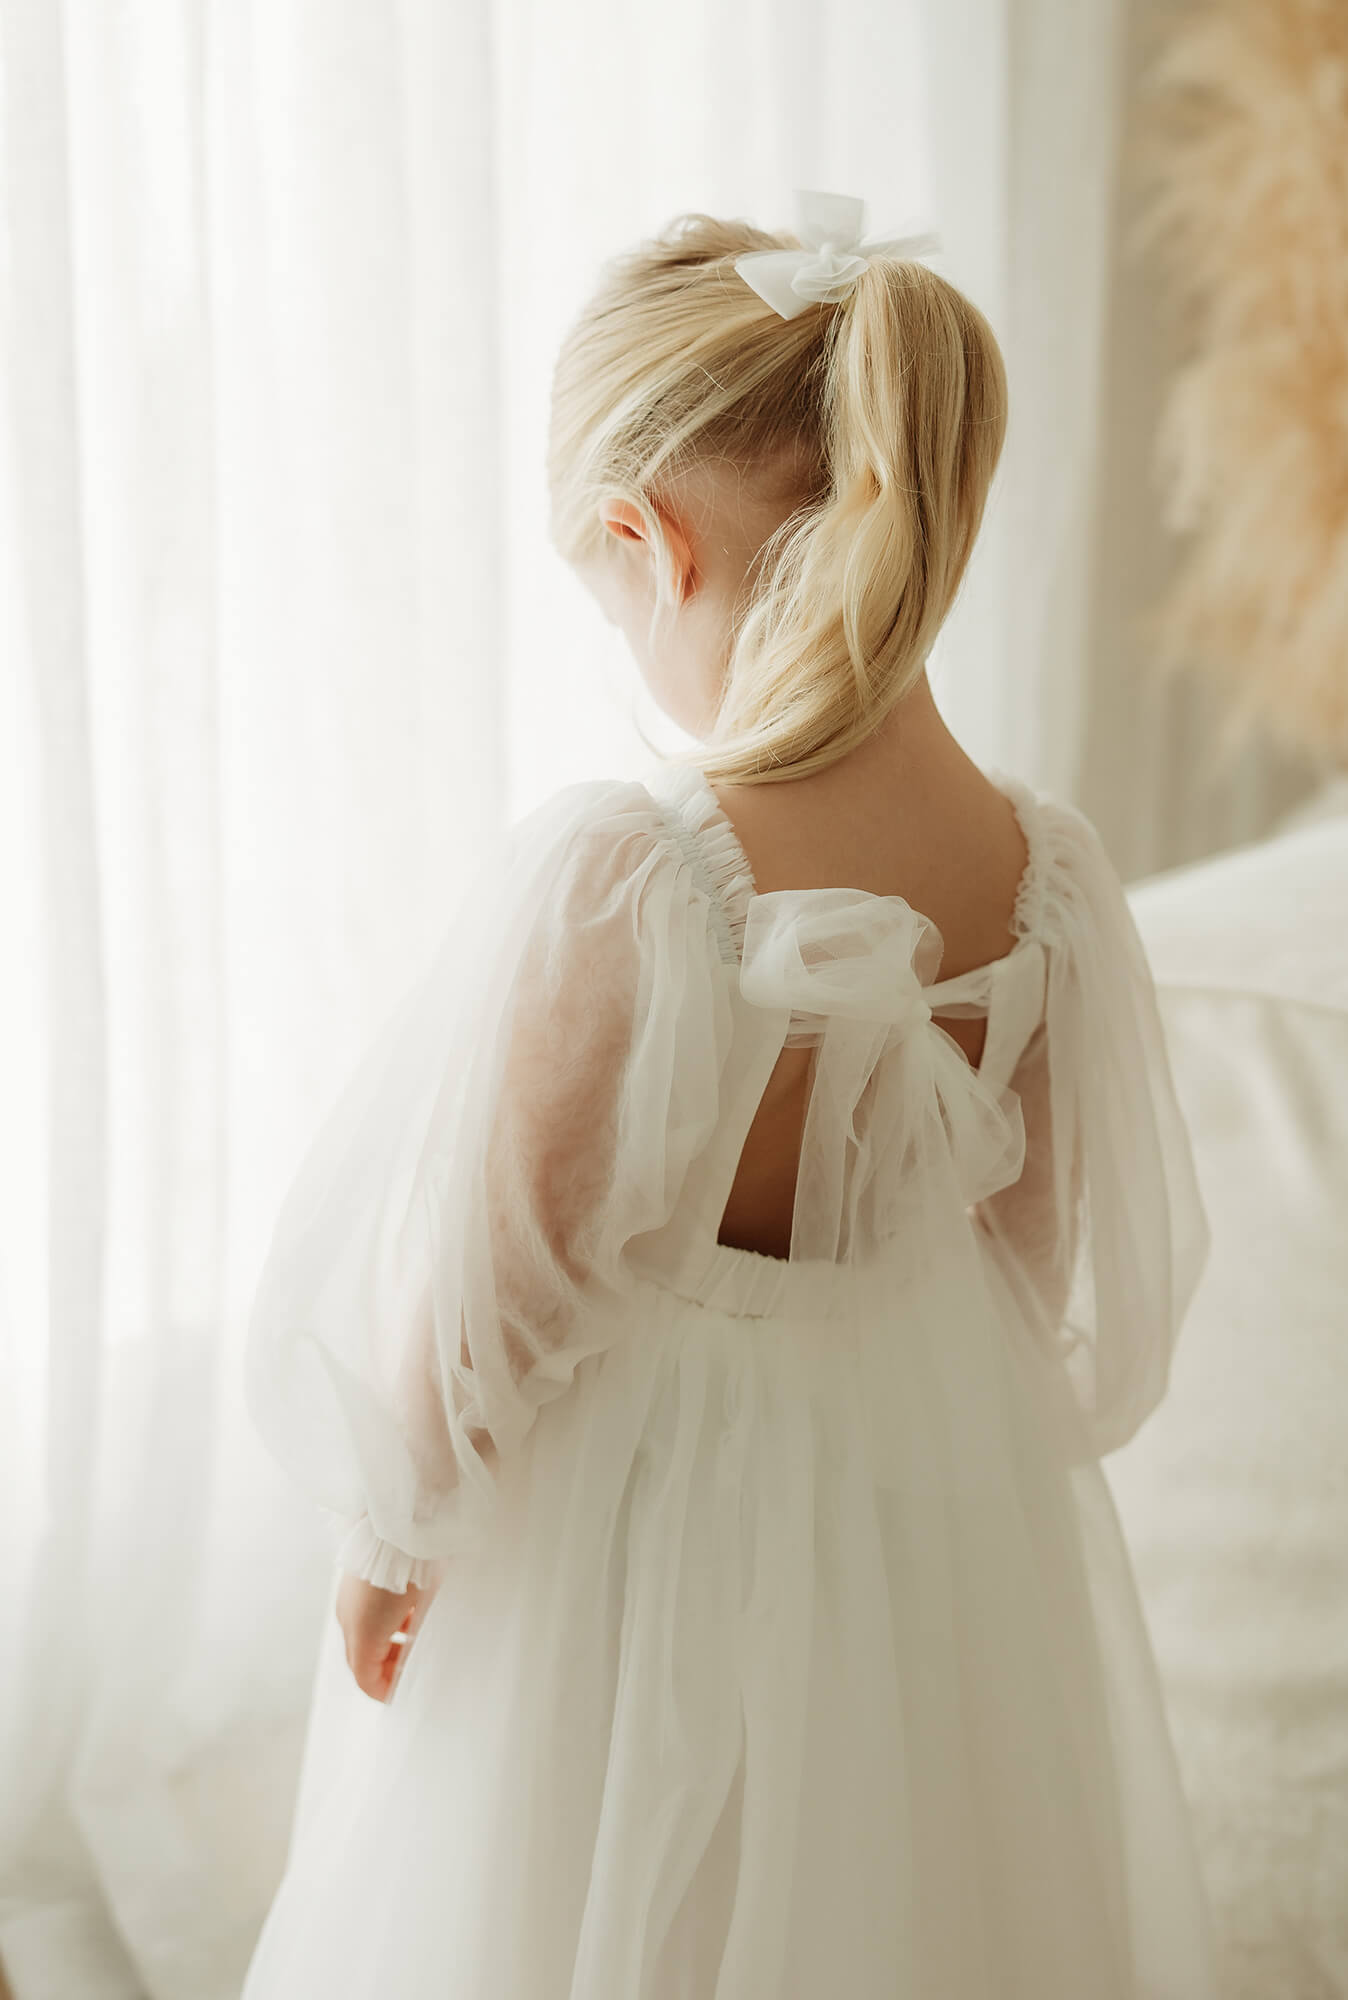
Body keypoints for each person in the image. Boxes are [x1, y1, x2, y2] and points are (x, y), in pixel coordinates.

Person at [240, 190, 1218, 1999]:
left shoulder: (641, 871)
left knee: (610, 1908)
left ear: (646, 540)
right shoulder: (1047, 875)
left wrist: (395, 1534)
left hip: (638, 1531)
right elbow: (1029, 1250)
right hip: (925, 1531)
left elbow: (499, 1280)